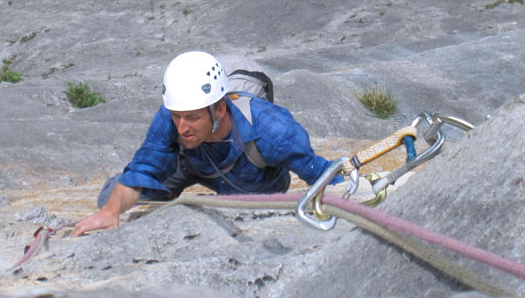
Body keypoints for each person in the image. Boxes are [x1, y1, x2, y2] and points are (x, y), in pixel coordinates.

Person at [72, 51, 337, 237]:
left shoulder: (271, 129)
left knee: (240, 211)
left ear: (220, 109)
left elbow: (321, 173)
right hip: (193, 163)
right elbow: (145, 168)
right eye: (177, 116)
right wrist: (110, 211)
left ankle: (221, 199)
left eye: (192, 117)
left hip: (252, 175)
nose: (181, 126)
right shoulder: (171, 118)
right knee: (112, 197)